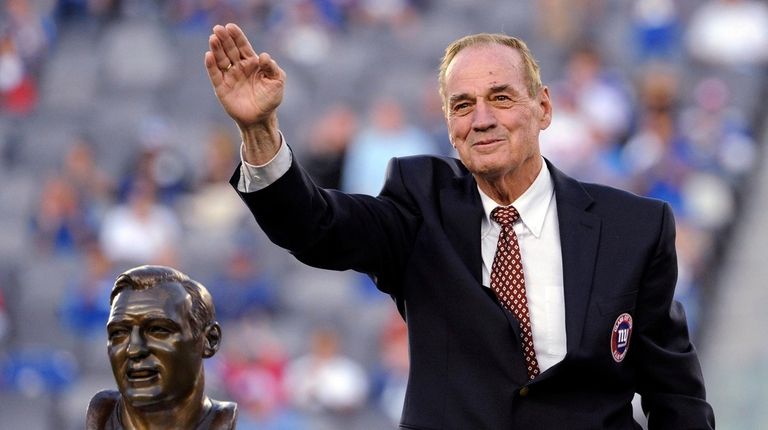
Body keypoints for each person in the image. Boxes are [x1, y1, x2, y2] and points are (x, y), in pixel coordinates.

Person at [204, 23, 715, 429]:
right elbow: (318, 227)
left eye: (502, 97)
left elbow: (676, 395)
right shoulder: (418, 203)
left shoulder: (633, 227)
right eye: (463, 105)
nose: (482, 118)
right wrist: (258, 129)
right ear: (449, 126)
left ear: (543, 108)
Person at [86, 265, 237, 429]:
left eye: (158, 330)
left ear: (209, 340)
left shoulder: (225, 422)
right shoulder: (101, 417)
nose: (134, 349)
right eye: (119, 333)